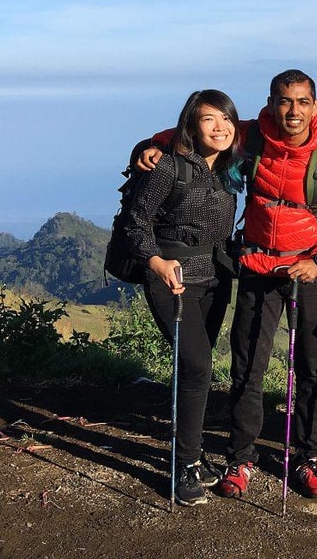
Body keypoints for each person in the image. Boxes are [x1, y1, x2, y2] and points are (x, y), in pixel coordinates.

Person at [139, 69, 317, 501]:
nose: (293, 111)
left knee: (309, 368)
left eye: (302, 102)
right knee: (247, 368)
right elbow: (192, 134)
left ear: (316, 105)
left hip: (307, 271)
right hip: (256, 266)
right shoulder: (249, 137)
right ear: (271, 102)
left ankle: (308, 456)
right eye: (284, 101)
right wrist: (150, 145)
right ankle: (241, 456)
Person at [125, 89, 241, 506]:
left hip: (214, 280)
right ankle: (182, 464)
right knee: (197, 367)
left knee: (195, 369)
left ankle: (192, 454)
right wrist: (155, 262)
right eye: (209, 119)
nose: (219, 127)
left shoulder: (229, 171)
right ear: (191, 124)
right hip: (171, 279)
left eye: (226, 119)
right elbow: (136, 223)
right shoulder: (168, 167)